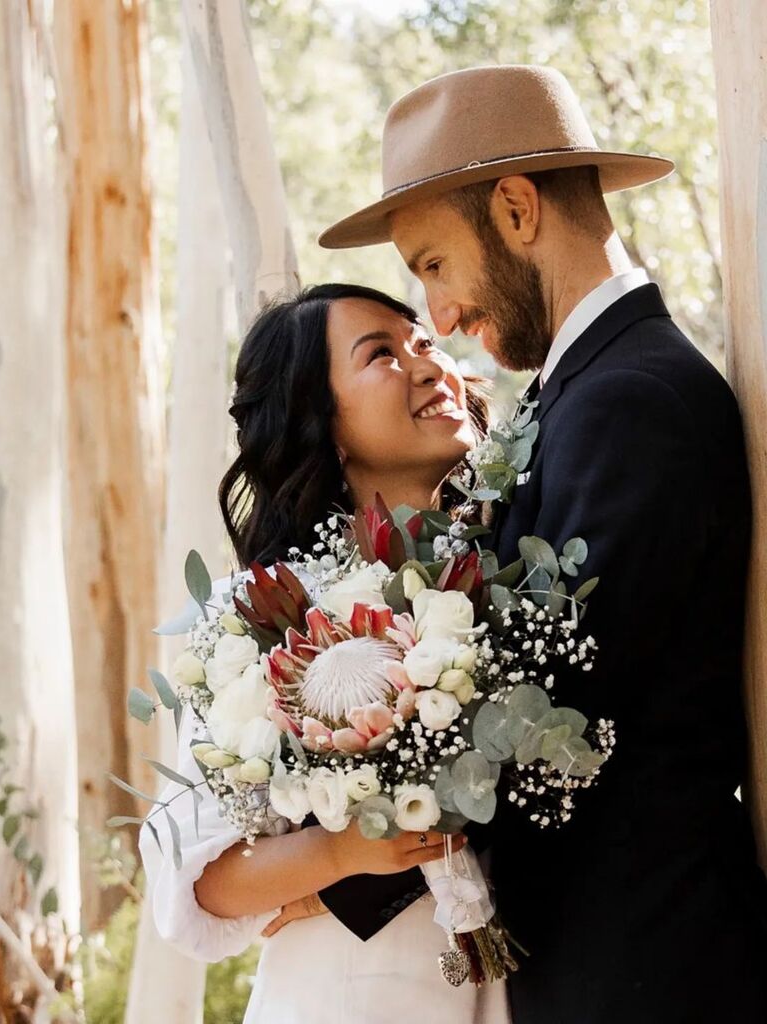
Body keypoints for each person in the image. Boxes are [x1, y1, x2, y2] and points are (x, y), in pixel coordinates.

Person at [317, 64, 767, 1023]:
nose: (440, 317)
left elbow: (544, 714)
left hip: (651, 970)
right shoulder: (579, 396)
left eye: (434, 265)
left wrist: (328, 868)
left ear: (518, 210)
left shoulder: (629, 401)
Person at [139, 283, 509, 1024]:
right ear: (325, 425)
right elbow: (202, 880)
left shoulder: (519, 571)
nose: (429, 364)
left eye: (423, 342)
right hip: (350, 995)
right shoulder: (263, 613)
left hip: (511, 990)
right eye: (381, 355)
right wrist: (342, 856)